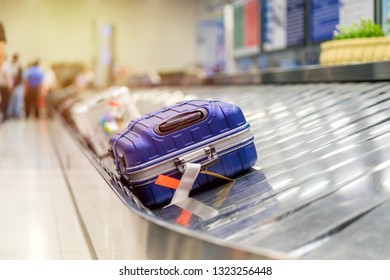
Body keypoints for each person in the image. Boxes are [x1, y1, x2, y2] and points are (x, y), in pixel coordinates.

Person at [7, 53, 24, 118]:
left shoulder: (17, 66)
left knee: (17, 100)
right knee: (14, 100)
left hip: (16, 85)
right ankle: (13, 113)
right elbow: (13, 77)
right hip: (15, 85)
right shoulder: (13, 66)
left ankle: (16, 112)